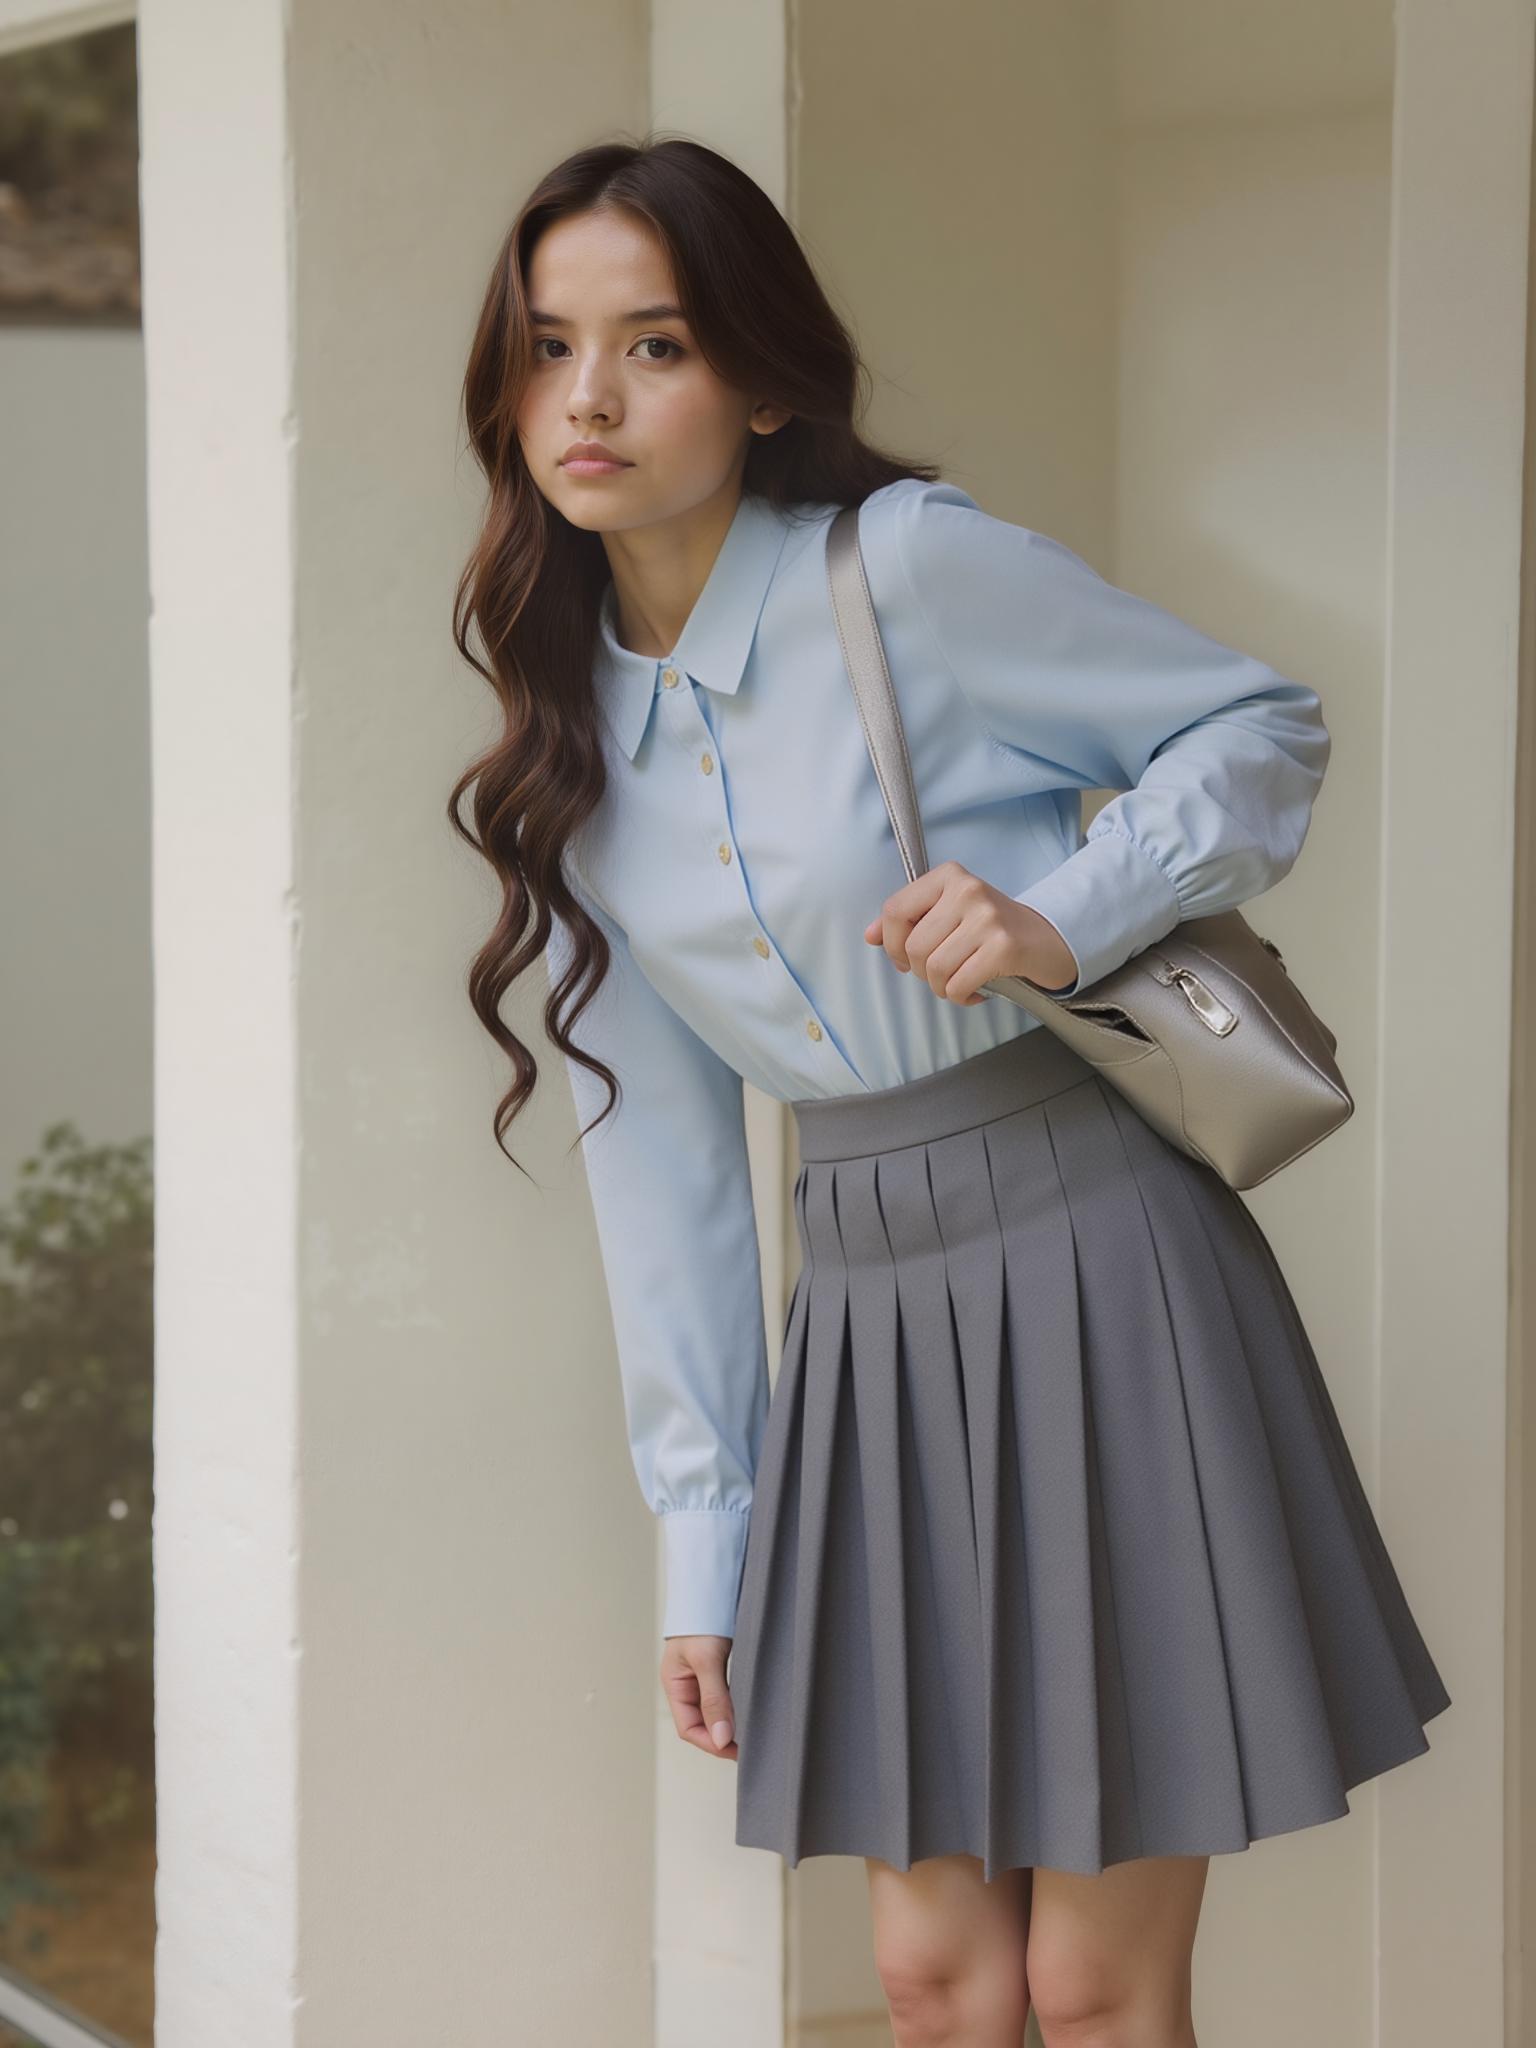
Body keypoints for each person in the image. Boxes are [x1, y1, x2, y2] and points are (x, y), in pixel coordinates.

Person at [448, 134, 1451, 2047]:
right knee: (929, 1978)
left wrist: (1061, 919)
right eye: (548, 346)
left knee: (1085, 1989)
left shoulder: (902, 575)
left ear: (755, 377)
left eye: (652, 344)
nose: (588, 397)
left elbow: (1258, 726)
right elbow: (664, 1180)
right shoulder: (574, 732)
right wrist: (704, 1547)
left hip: (1107, 1275)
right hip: (869, 1339)